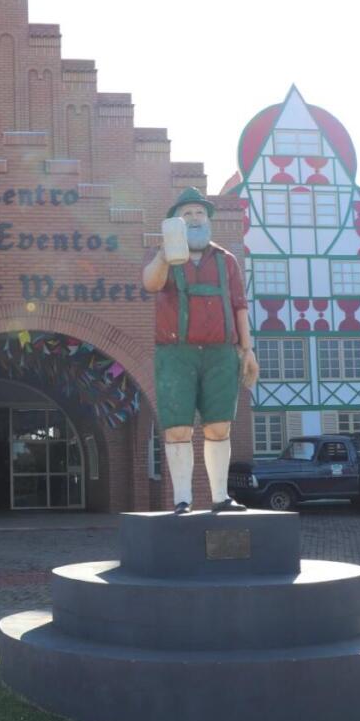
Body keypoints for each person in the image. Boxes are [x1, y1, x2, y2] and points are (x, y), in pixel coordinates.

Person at [141, 187, 259, 513]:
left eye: (199, 213)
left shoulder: (226, 260)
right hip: (175, 354)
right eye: (187, 214)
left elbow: (240, 306)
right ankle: (182, 499)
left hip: (221, 353)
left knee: (219, 426)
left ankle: (220, 497)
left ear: (208, 220)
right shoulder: (162, 257)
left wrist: (247, 350)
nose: (194, 219)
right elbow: (150, 284)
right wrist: (165, 254)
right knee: (178, 428)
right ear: (175, 221)